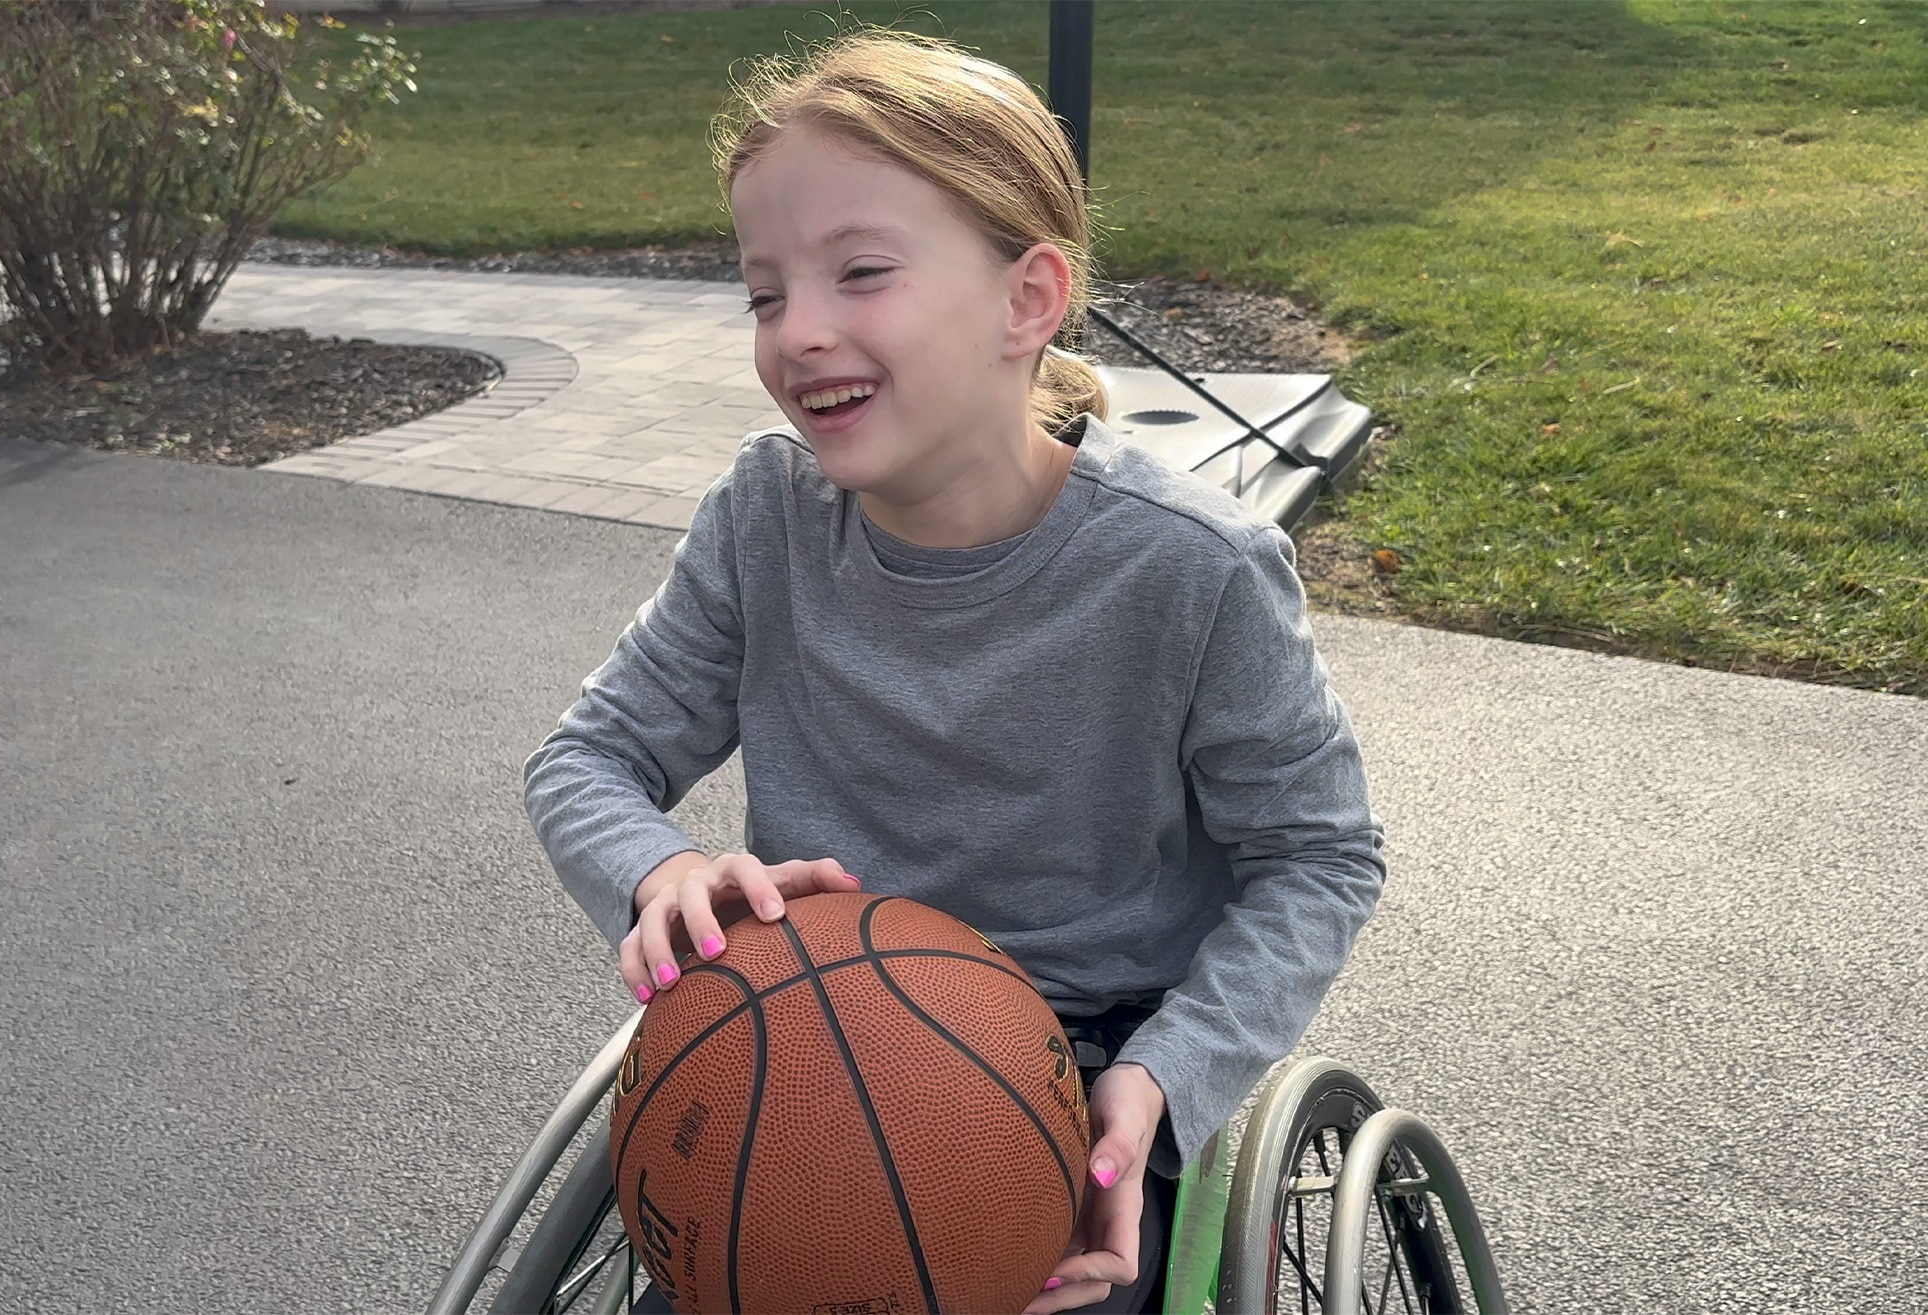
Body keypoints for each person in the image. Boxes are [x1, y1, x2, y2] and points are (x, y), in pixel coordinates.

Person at [523, 27, 1386, 1315]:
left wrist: (1166, 1077)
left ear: (1027, 300)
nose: (798, 332)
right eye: (765, 294)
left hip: (1080, 1065)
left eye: (860, 273)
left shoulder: (1193, 570)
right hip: (809, 1037)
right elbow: (586, 758)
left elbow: (1320, 857)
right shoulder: (767, 517)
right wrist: (663, 873)